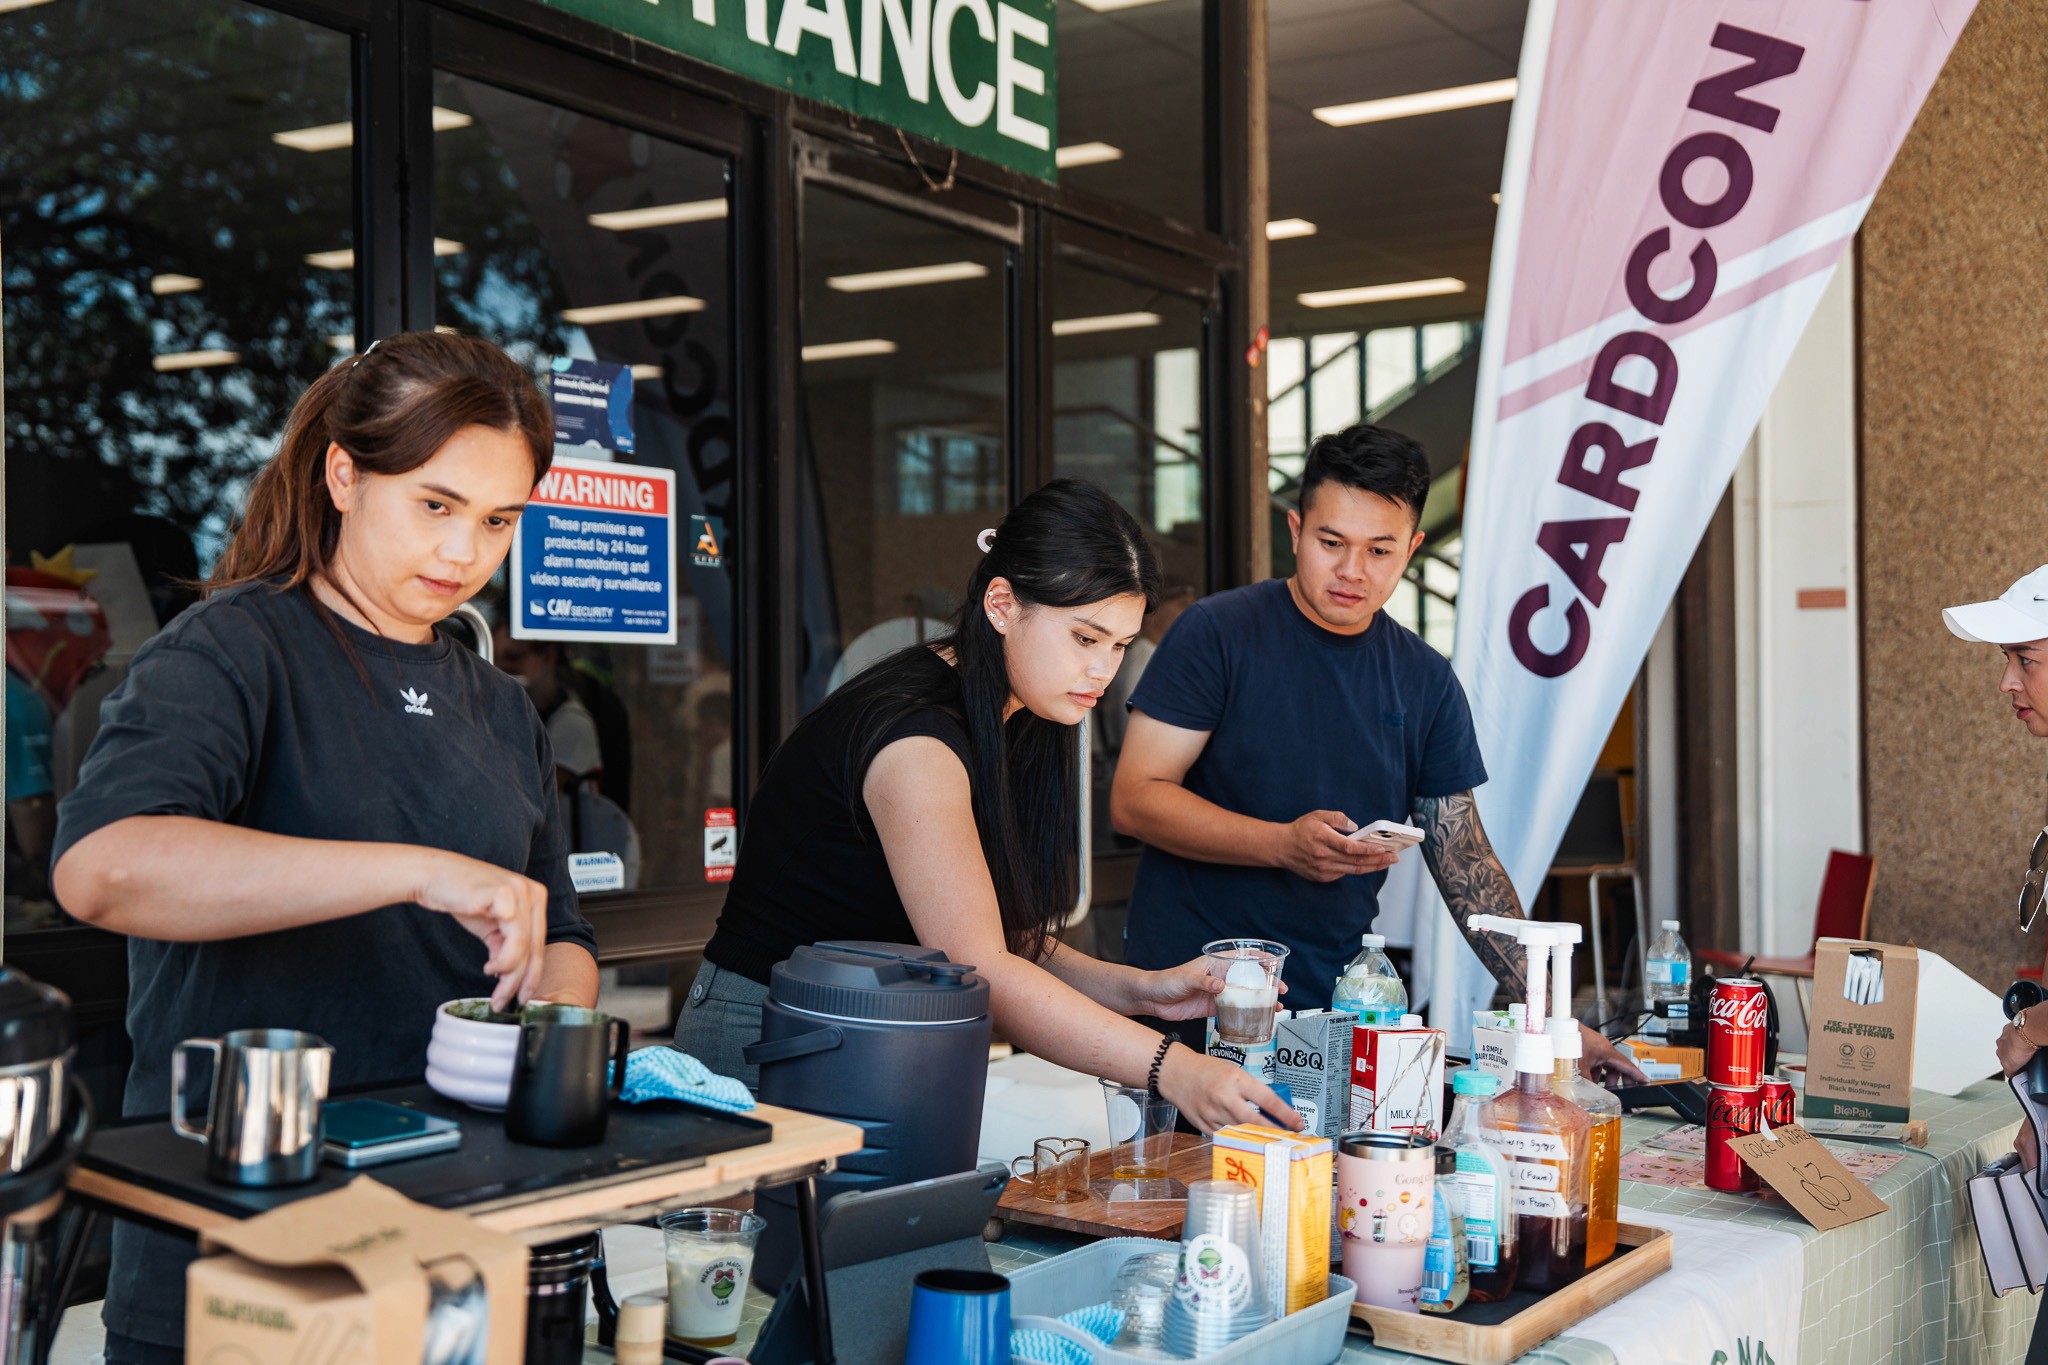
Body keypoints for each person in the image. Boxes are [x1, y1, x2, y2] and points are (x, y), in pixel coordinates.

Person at [50, 331, 600, 1364]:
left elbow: (558, 929)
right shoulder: (232, 649)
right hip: (243, 1240)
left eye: (497, 522)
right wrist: (414, 870)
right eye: (432, 506)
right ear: (344, 475)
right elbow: (103, 869)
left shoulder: (498, 706)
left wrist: (548, 1015)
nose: (462, 555)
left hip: (456, 1229)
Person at [678, 479, 1299, 1134]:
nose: (1103, 671)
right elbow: (983, 968)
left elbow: (1003, 939)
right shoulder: (918, 737)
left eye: (1120, 645)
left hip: (871, 1031)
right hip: (763, 1037)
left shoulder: (1027, 711)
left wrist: (1140, 989)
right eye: (1086, 638)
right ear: (1002, 604)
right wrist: (1172, 1067)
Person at [1110, 422, 1643, 1083]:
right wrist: (1282, 844)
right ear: (1296, 527)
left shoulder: (1424, 679)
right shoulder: (1218, 634)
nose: (1353, 570)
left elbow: (1465, 859)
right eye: (1331, 542)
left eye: (1380, 550)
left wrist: (1555, 1014)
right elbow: (1136, 798)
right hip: (1192, 998)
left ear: (1414, 547)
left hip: (1338, 1011)